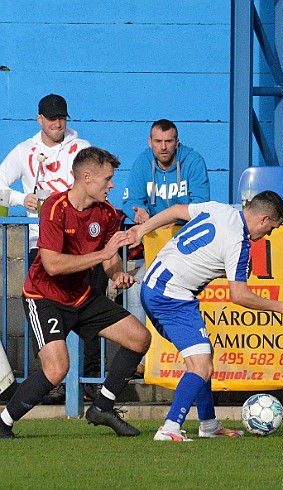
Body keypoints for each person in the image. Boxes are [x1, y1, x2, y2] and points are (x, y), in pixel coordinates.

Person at [0, 147, 151, 439]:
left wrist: (115, 272)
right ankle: (3, 421)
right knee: (57, 369)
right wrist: (102, 255)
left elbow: (109, 258)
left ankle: (103, 407)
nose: (112, 184)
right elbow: (53, 265)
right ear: (86, 177)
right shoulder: (55, 208)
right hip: (44, 298)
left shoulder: (106, 213)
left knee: (139, 337)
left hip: (81, 296)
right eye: (107, 178)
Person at [127, 191, 283, 442]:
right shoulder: (240, 243)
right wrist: (280, 307)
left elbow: (177, 210)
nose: (267, 235)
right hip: (171, 295)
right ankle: (169, 428)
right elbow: (239, 295)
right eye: (271, 229)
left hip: (154, 284)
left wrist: (142, 230)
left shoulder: (220, 209)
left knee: (203, 356)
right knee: (201, 365)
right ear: (263, 219)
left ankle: (208, 424)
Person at [0, 94, 104, 403]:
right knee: (42, 307)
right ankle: (51, 377)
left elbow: (98, 183)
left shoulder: (80, 147)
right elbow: (1, 186)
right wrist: (23, 200)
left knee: (92, 305)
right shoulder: (25, 151)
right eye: (52, 118)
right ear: (40, 119)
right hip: (42, 243)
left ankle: (89, 380)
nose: (58, 123)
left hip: (81, 242)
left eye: (62, 118)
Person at [121, 119, 210, 377]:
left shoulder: (193, 162)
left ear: (177, 142)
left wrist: (167, 218)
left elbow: (200, 206)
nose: (163, 147)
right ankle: (141, 359)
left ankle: (185, 358)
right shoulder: (142, 162)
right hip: (155, 249)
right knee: (137, 292)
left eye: (168, 141)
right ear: (150, 142)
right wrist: (138, 213)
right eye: (158, 141)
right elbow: (131, 200)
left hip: (187, 248)